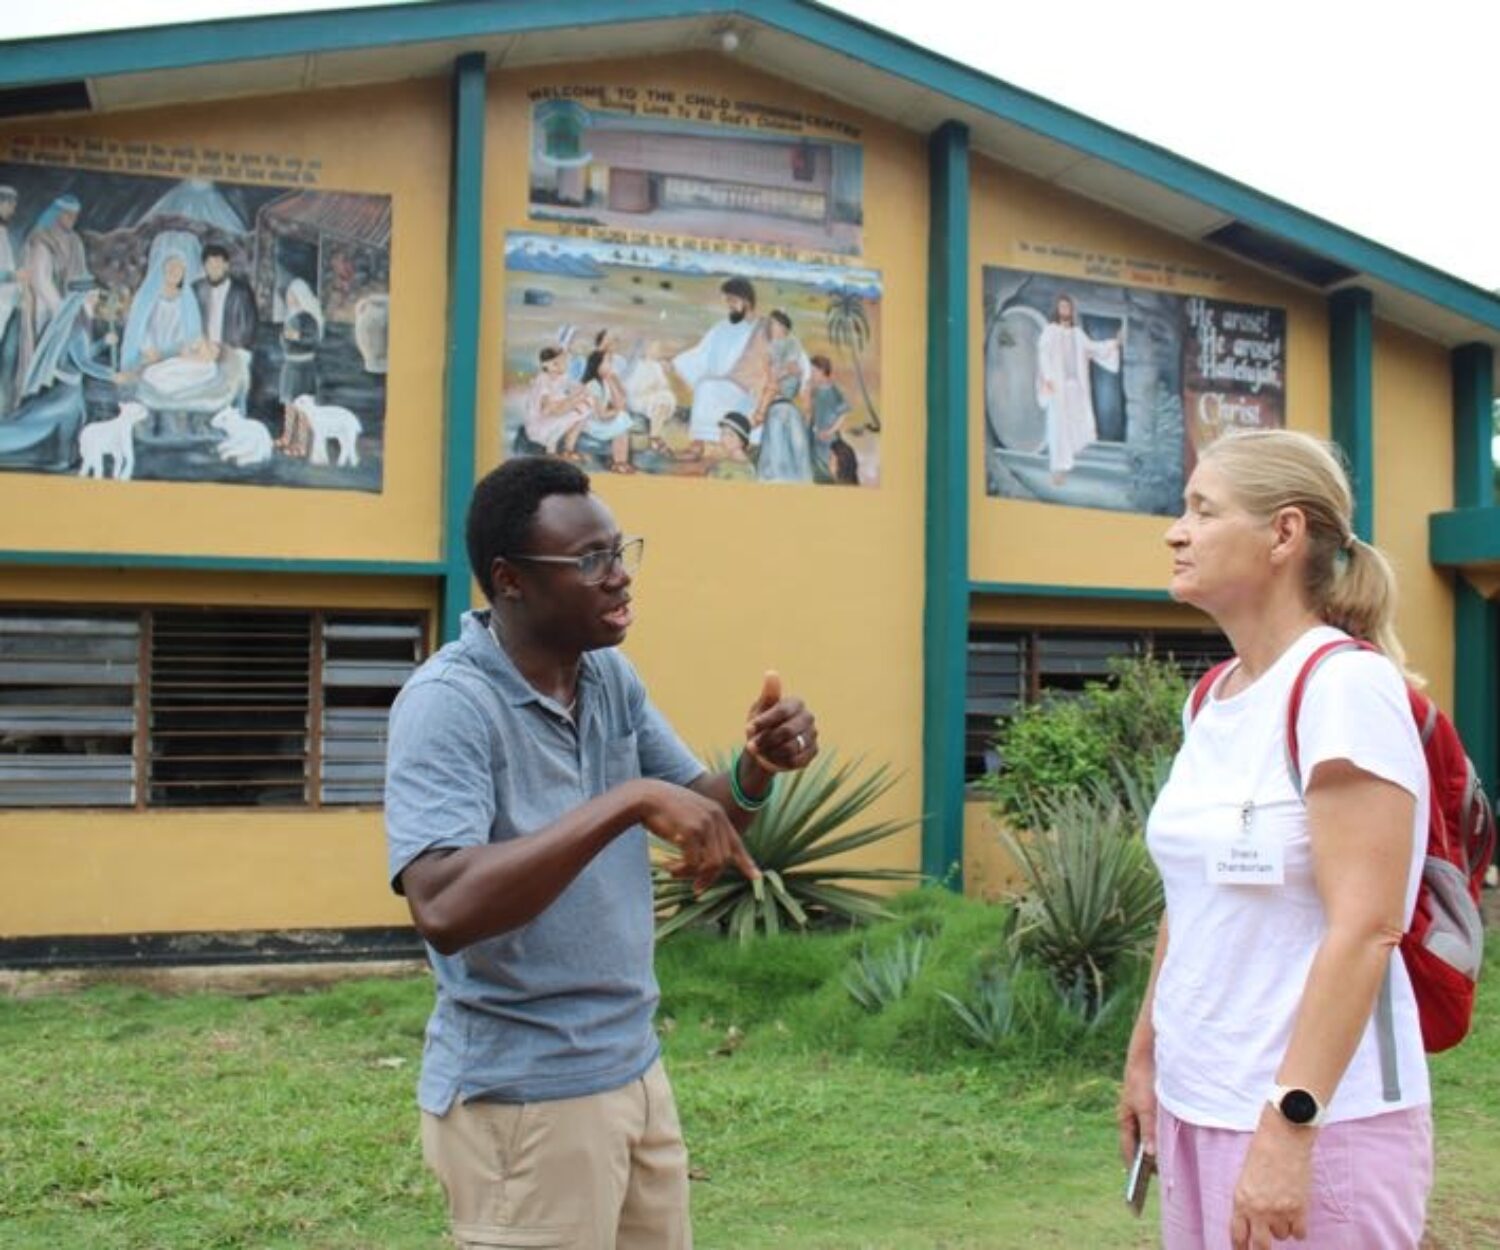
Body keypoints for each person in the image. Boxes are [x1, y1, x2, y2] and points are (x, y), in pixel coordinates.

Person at [384, 456, 820, 1250]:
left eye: (620, 551)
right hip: (523, 1099)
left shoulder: (607, 678)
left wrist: (758, 767)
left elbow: (701, 813)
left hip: (632, 1069)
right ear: (510, 580)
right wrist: (623, 802)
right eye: (591, 561)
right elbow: (441, 906)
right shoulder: (448, 706)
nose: (619, 577)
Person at [1118, 428, 1433, 1250]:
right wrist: (1146, 1056)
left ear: (1283, 534)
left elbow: (1365, 928)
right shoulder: (1214, 698)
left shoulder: (1345, 688)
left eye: (1201, 509)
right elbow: (1191, 902)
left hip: (1316, 1120)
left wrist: (1290, 1128)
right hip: (1198, 1106)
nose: (1174, 530)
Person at [0, 274, 126, 471]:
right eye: (94, 296)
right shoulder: (77, 326)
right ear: (83, 297)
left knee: (74, 420)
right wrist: (112, 375)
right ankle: (63, 459)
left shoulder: (80, 321)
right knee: (59, 420)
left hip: (71, 386)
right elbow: (83, 363)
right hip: (66, 389)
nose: (96, 301)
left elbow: (81, 354)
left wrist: (103, 344)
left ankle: (64, 459)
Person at [671, 276, 769, 461]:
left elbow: (779, 358)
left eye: (732, 300)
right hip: (727, 384)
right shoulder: (722, 327)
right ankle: (697, 445)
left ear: (746, 301)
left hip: (751, 389)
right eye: (727, 301)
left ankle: (705, 446)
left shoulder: (763, 328)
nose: (729, 305)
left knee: (707, 387)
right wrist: (676, 362)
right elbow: (702, 352)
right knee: (706, 385)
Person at [1035, 292, 1122, 486]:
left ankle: (1068, 466)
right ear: (1057, 310)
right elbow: (1043, 354)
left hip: (1075, 388)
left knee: (1076, 425)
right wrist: (1048, 378)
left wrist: (1113, 344)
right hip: (1058, 387)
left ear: (1071, 311)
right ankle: (1058, 470)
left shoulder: (1077, 334)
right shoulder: (1050, 331)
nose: (1065, 310)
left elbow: (1093, 348)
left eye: (1068, 307)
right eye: (1062, 307)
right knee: (1058, 428)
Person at [18, 193, 88, 383]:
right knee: (46, 352)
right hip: (46, 307)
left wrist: (84, 301)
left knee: (71, 349)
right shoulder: (41, 239)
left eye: (75, 216)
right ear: (57, 214)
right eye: (68, 215)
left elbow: (81, 275)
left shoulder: (75, 241)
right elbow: (41, 280)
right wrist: (61, 309)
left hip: (70, 307)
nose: (72, 220)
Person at [120, 232, 204, 372]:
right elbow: (138, 325)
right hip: (149, 354)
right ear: (162, 268)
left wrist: (178, 351)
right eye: (171, 267)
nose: (174, 271)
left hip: (176, 356)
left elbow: (191, 331)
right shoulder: (147, 296)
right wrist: (148, 348)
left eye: (179, 268)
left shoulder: (188, 299)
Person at [753, 309, 813, 483]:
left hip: (778, 409)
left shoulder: (780, 351)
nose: (771, 328)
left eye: (774, 325)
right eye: (770, 325)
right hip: (791, 411)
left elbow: (772, 386)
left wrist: (760, 412)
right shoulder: (798, 354)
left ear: (784, 328)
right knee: (797, 459)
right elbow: (805, 391)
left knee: (777, 459)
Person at [276, 279, 323, 455]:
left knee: (303, 407)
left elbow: (313, 340)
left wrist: (295, 337)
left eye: (292, 295)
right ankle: (287, 436)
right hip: (290, 364)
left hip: (303, 366)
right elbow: (284, 340)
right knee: (288, 404)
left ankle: (301, 444)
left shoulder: (308, 317)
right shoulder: (290, 316)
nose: (288, 298)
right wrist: (286, 338)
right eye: (288, 295)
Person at [522, 345, 593, 458]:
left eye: (563, 362)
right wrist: (572, 402)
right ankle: (551, 452)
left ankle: (568, 449)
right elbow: (549, 410)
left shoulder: (562, 377)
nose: (561, 366)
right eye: (556, 363)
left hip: (556, 412)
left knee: (584, 410)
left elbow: (576, 387)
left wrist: (580, 395)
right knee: (576, 410)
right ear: (546, 366)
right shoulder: (543, 380)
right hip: (540, 423)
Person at [579, 344, 637, 473]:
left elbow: (620, 402)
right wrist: (617, 412)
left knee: (622, 419)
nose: (610, 365)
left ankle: (620, 462)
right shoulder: (593, 385)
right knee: (622, 419)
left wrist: (612, 381)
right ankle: (619, 463)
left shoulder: (604, 382)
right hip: (590, 423)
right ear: (597, 365)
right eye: (607, 362)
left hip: (600, 420)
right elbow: (601, 414)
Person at [192, 242, 258, 352]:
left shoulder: (241, 291)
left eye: (218, 264)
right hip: (202, 352)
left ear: (226, 265)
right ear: (204, 267)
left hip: (232, 352)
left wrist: (226, 350)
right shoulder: (196, 289)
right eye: (210, 264)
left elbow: (249, 329)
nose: (214, 269)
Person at [808, 353, 856, 485]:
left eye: (814, 371)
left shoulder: (834, 391)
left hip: (829, 440)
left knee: (830, 469)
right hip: (816, 438)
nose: (811, 374)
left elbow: (844, 414)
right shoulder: (816, 391)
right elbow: (814, 413)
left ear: (822, 371)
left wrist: (830, 431)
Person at [0, 187, 22, 416]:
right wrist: (13, 277)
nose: (13, 209)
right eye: (10, 204)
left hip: (7, 306)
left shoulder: (3, 233)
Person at [708, 410, 756, 482]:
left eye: (731, 435)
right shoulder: (721, 464)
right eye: (723, 434)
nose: (724, 439)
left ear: (742, 442)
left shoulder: (746, 471)